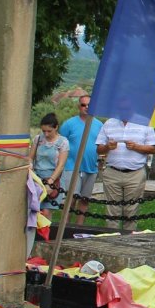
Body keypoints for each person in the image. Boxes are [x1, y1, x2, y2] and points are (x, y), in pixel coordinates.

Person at [95, 115, 155, 233]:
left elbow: (153, 149)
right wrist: (107, 147)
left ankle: (128, 241)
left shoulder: (145, 123)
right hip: (112, 171)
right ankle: (111, 241)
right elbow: (99, 149)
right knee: (112, 211)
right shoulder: (109, 123)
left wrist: (136, 147)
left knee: (131, 211)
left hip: (135, 173)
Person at [58, 95, 102, 225]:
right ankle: (65, 226)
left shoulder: (99, 125)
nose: (86, 107)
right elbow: (60, 144)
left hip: (91, 167)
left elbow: (102, 145)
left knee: (85, 200)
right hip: (72, 166)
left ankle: (79, 227)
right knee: (71, 198)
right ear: (79, 106)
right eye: (83, 105)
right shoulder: (69, 124)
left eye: (89, 105)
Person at [30, 112, 69, 218]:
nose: (46, 134)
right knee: (34, 211)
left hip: (54, 178)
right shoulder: (38, 139)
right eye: (44, 131)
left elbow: (61, 165)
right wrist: (30, 167)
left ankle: (46, 233)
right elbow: (30, 157)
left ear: (56, 127)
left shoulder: (63, 142)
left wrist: (50, 182)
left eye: (49, 131)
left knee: (46, 212)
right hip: (37, 177)